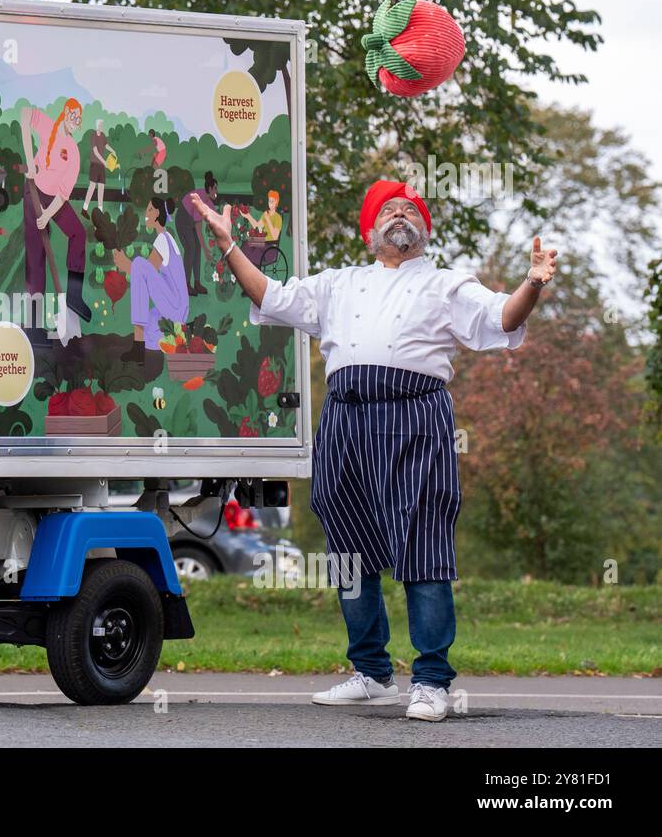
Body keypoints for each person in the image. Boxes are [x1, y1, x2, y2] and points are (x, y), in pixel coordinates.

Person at [193, 180, 557, 723]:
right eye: (388, 208)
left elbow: (505, 318)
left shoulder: (447, 283)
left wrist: (532, 282)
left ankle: (432, 681)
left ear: (424, 230)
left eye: (411, 208)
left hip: (415, 417)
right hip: (345, 418)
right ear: (370, 230)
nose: (400, 213)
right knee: (347, 550)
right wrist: (227, 243)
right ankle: (373, 673)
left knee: (423, 543)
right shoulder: (338, 283)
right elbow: (270, 295)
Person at [20, 98, 90, 327]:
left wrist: (48, 215)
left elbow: (62, 194)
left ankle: (74, 296)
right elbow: (24, 114)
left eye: (79, 120)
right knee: (36, 255)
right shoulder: (48, 126)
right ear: (66, 112)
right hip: (33, 194)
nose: (76, 122)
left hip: (53, 201)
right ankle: (34, 324)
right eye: (74, 116)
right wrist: (30, 162)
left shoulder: (74, 152)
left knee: (79, 233)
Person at [114, 196, 189, 362]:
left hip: (175, 306)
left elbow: (143, 274)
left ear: (157, 214)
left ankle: (138, 345)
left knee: (139, 263)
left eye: (149, 210)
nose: (146, 214)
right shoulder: (168, 238)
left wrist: (125, 263)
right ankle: (159, 338)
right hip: (176, 308)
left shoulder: (162, 239)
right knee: (152, 332)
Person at [177, 172, 220, 296]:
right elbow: (198, 229)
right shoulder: (198, 200)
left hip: (191, 223)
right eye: (215, 188)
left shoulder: (207, 200)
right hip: (183, 221)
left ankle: (197, 283)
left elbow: (214, 215)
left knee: (197, 249)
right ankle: (185, 284)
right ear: (210, 188)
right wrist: (206, 249)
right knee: (191, 248)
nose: (217, 191)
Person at [83, 119, 110, 213]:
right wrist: (104, 161)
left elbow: (106, 145)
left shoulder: (103, 136)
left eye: (102, 124)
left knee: (101, 187)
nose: (101, 126)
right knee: (92, 186)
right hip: (95, 164)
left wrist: (112, 150)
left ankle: (100, 210)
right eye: (100, 125)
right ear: (97, 125)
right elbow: (95, 151)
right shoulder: (93, 136)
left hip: (101, 166)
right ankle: (84, 208)